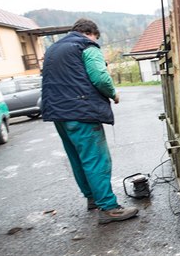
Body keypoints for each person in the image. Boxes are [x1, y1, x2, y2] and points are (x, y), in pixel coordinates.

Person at [42, 18, 138, 224]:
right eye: (96, 38)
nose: (96, 40)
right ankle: (109, 208)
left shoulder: (53, 50)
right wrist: (113, 94)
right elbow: (100, 78)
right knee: (96, 159)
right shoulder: (86, 45)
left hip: (58, 113)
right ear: (91, 33)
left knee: (77, 158)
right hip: (81, 112)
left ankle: (93, 199)